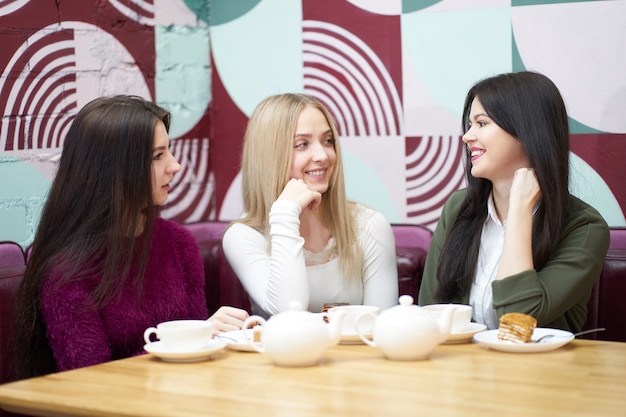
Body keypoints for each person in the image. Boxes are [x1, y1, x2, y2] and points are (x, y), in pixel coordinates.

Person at [13, 95, 249, 380]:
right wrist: (189, 339)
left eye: (169, 151)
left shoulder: (178, 244)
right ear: (113, 169)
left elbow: (195, 358)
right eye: (157, 156)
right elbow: (90, 382)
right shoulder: (67, 273)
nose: (174, 166)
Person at [418, 71, 610, 333]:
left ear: (526, 131)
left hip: (542, 372)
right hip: (460, 369)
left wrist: (520, 210)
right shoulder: (457, 208)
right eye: (470, 124)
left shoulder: (584, 227)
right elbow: (431, 310)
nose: (467, 136)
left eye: (482, 124)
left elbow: (517, 322)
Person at [222, 93, 398, 317]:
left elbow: (383, 325)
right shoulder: (243, 236)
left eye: (328, 141)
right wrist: (285, 214)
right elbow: (288, 311)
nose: (322, 155)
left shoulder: (369, 225)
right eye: (302, 144)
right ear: (269, 156)